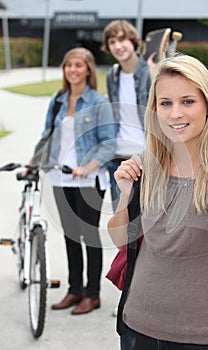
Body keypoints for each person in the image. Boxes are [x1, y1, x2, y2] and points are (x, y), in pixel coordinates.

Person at [107, 54, 208, 349]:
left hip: (198, 340)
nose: (175, 114)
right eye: (166, 103)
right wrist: (126, 193)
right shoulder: (145, 166)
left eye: (187, 101)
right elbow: (120, 240)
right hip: (134, 330)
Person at [29, 47, 116, 315]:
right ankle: (74, 289)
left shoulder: (98, 102)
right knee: (70, 236)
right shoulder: (57, 100)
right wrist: (33, 163)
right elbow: (47, 135)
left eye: (78, 65)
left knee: (88, 235)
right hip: (60, 175)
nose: (73, 70)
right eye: (69, 65)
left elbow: (109, 143)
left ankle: (92, 294)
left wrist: (87, 167)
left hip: (89, 179)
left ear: (88, 69)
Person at [101, 19, 162, 212]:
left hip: (147, 160)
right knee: (122, 227)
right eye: (112, 42)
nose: (118, 46)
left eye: (122, 39)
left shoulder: (152, 70)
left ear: (133, 41)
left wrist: (156, 77)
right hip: (118, 160)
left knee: (150, 226)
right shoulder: (112, 75)